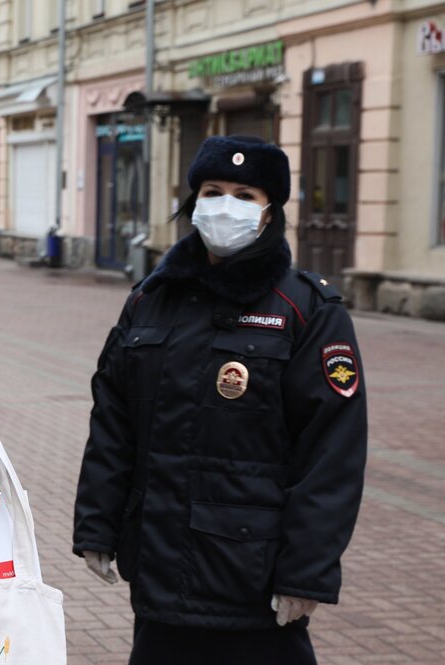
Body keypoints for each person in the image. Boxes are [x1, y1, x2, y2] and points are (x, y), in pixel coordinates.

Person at [73, 135, 367, 665]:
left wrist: (306, 572)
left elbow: (332, 452)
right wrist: (98, 522)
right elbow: (113, 421)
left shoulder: (306, 309)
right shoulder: (150, 299)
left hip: (253, 582)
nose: (225, 205)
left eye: (245, 195)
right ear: (194, 201)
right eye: (212, 191)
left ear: (269, 212)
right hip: (159, 575)